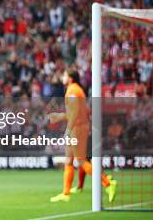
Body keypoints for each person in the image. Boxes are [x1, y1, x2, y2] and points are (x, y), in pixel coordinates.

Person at [48, 68, 117, 203]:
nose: (63, 77)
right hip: (78, 126)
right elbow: (75, 112)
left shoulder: (73, 91)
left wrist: (68, 129)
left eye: (64, 75)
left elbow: (74, 114)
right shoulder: (73, 90)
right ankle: (66, 193)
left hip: (78, 128)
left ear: (71, 78)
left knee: (80, 161)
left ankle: (107, 183)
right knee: (69, 159)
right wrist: (60, 116)